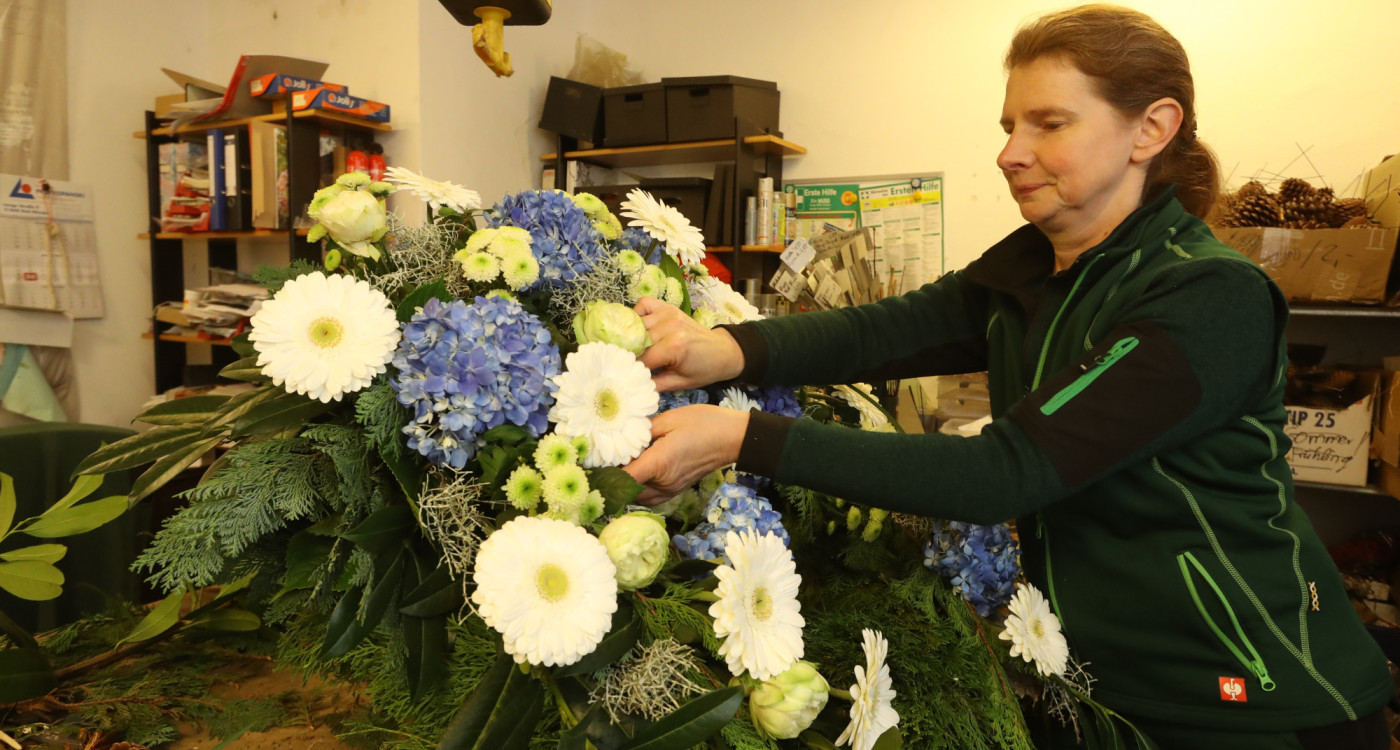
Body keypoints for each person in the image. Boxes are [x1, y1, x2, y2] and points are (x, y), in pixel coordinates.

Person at [623, 5, 1393, 749]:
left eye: (1049, 124)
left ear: (1151, 130)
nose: (1009, 153)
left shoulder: (1209, 295)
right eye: (1009, 126)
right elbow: (881, 331)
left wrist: (739, 436)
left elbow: (1006, 470)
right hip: (1098, 686)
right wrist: (724, 348)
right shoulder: (1034, 262)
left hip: (1248, 697)